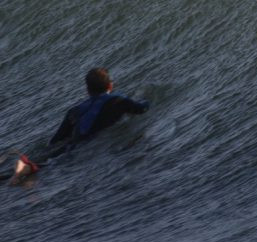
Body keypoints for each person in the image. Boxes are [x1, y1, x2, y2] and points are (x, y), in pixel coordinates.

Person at [4, 68, 149, 185]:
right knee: (47, 166)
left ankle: (22, 166)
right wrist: (148, 97)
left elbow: (55, 141)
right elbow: (141, 109)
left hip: (70, 143)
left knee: (48, 158)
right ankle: (25, 168)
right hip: (82, 147)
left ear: (87, 90)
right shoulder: (118, 100)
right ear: (110, 86)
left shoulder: (75, 110)